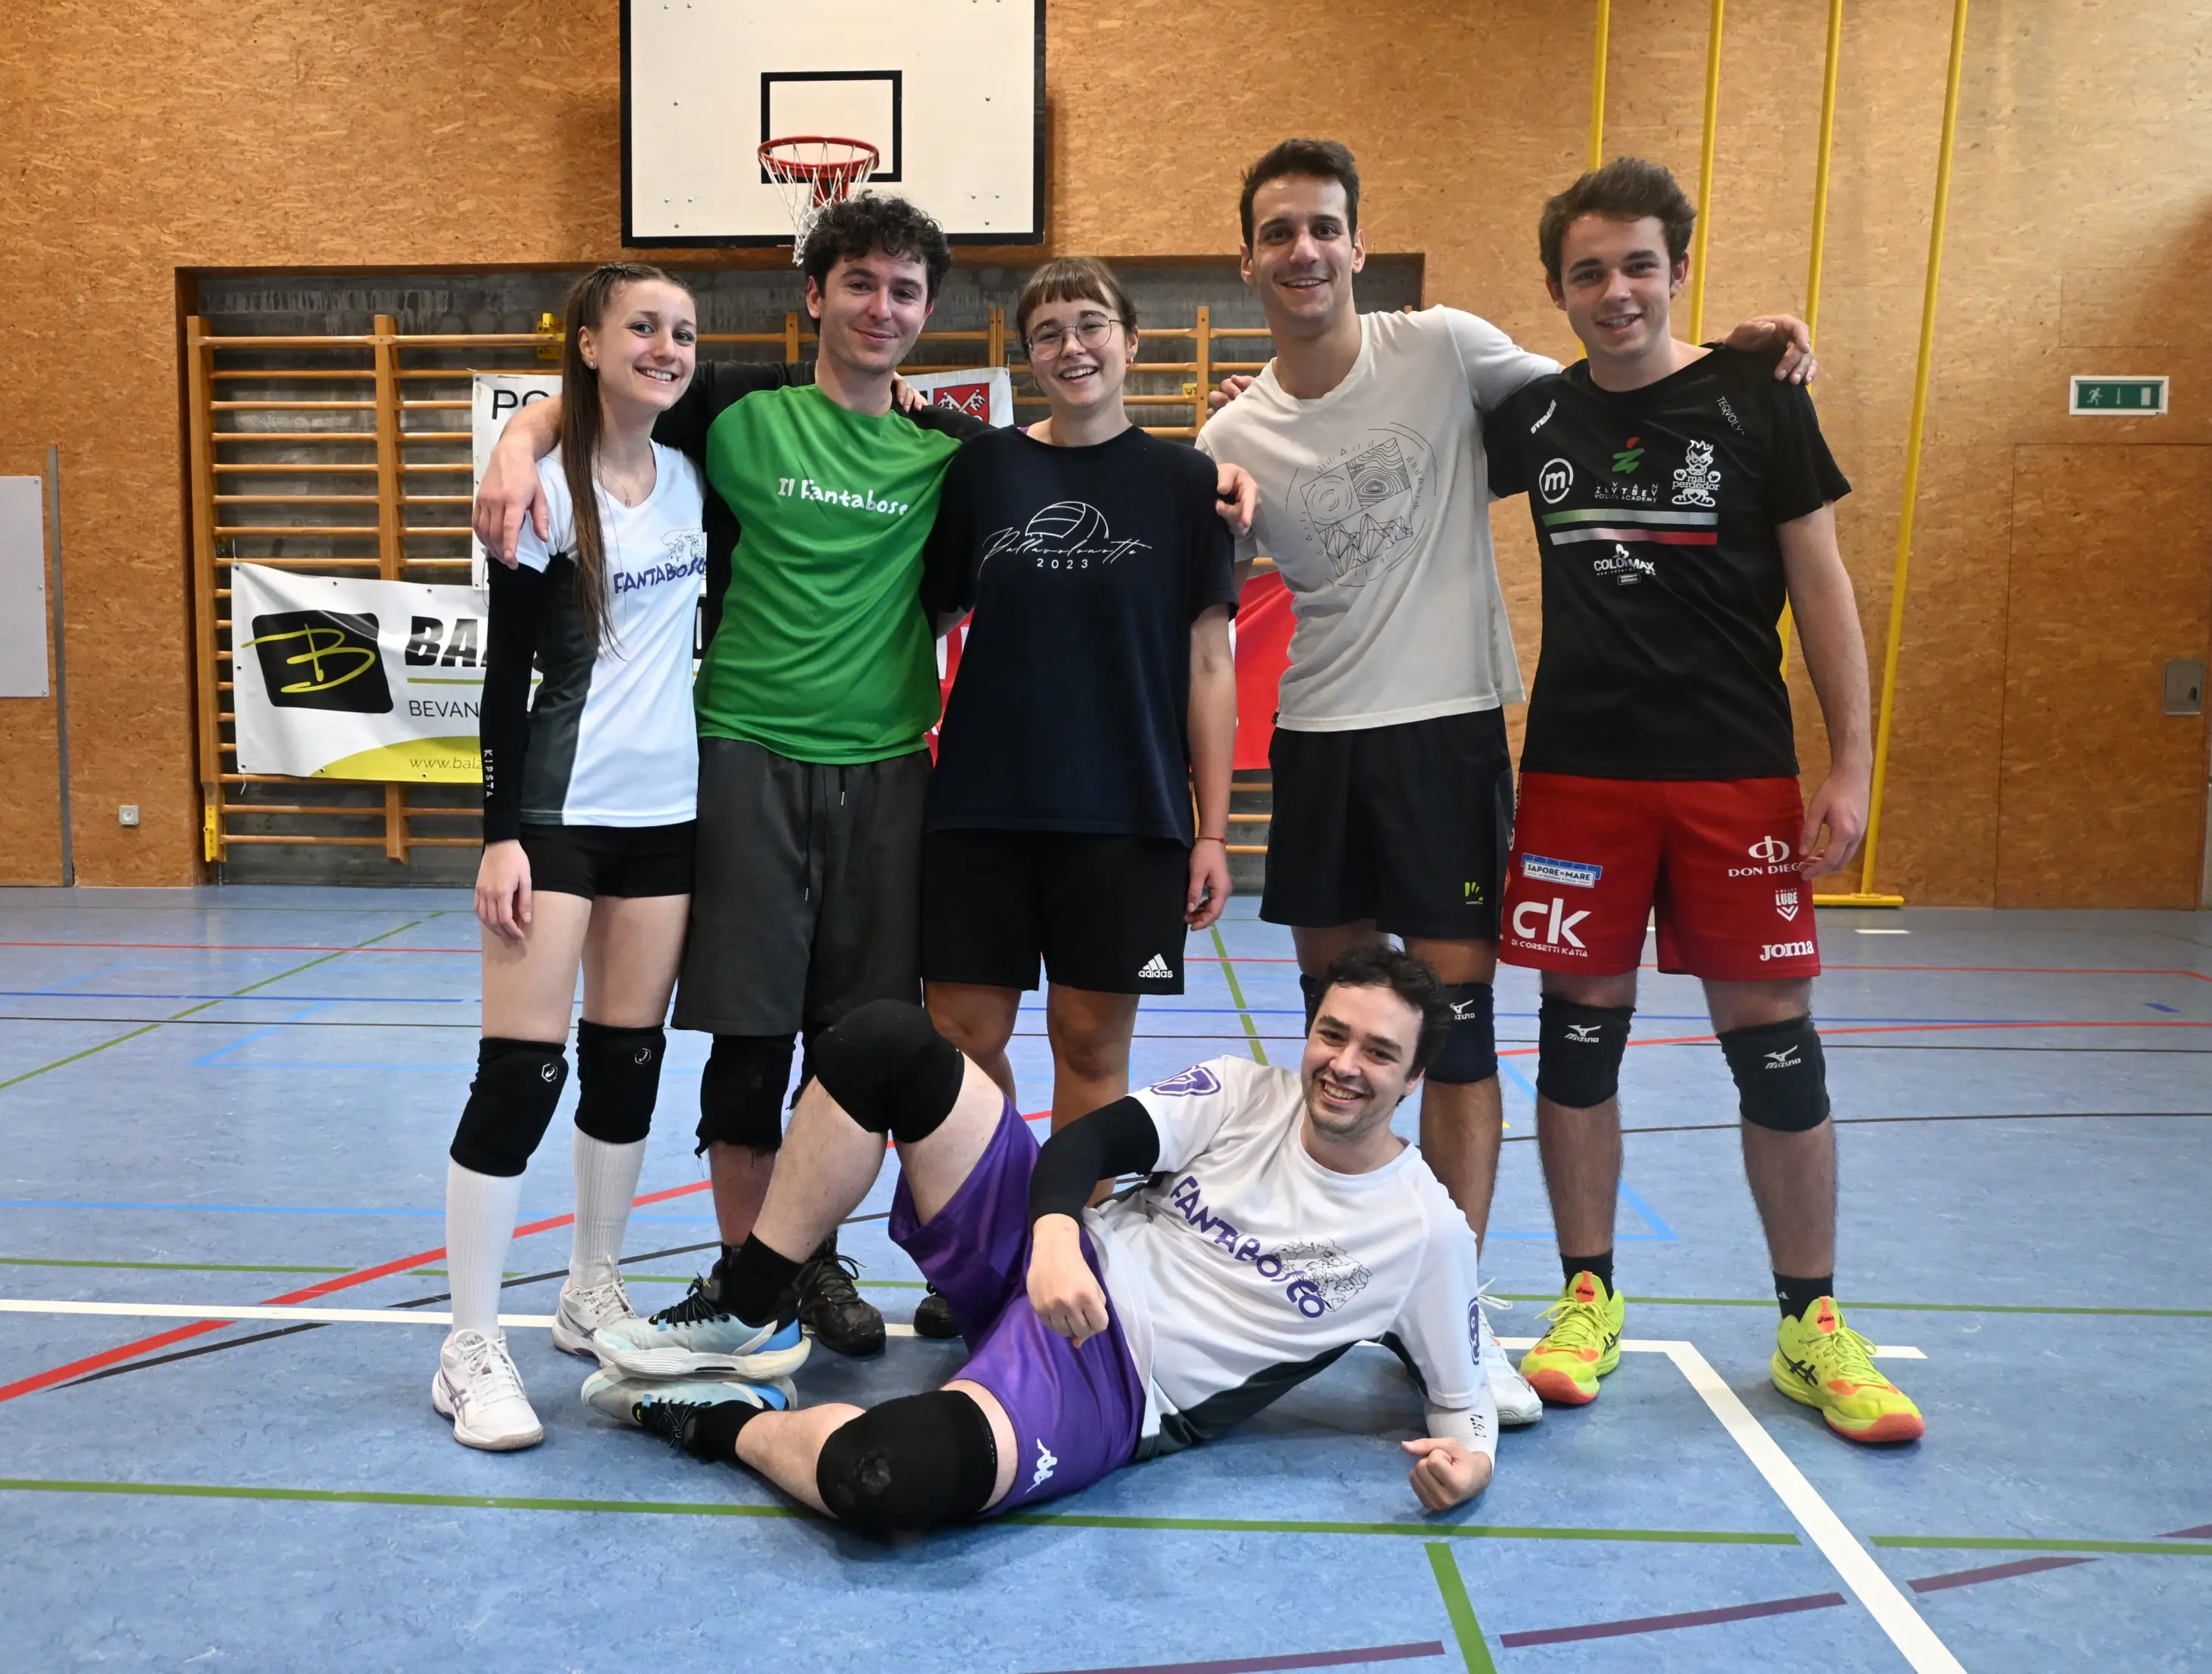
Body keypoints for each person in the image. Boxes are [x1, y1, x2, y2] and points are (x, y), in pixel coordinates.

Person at [475, 200, 1260, 1362]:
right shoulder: (737, 414)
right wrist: (517, 440)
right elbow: (602, 392)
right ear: (816, 296)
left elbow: (1044, 544)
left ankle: (831, 1260)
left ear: (926, 311)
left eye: (903, 291)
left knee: (859, 1043)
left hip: (897, 777)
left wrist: (1218, 473)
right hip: (743, 759)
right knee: (748, 1053)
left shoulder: (954, 453)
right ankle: (756, 1284)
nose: (880, 308)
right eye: (859, 285)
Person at [1196, 138, 1816, 1426]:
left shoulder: (1445, 349)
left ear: (1358, 246)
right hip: (1317, 740)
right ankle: (1337, 1278)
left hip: (1448, 734)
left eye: (1325, 228)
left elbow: (1626, 385)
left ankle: (1450, 1300)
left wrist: (1740, 352)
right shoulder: (1229, 435)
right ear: (1248, 258)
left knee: (1459, 1032)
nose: (1303, 251)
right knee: (1337, 1034)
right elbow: (1185, 604)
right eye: (1278, 234)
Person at [1482, 158, 1921, 1443]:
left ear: (1676, 267)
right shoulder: (1538, 417)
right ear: (1557, 287)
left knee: (1774, 1047)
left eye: (1637, 265)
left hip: (1737, 773)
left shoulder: (1759, 399)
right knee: (1578, 1039)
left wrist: (1852, 759)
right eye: (1587, 271)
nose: (1615, 291)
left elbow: (1825, 587)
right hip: (1577, 776)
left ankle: (1811, 1324)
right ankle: (1585, 1298)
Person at [578, 945, 1501, 1531]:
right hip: (1052, 1253)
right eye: (1332, 1034)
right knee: (888, 1041)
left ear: (1415, 1076)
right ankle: (748, 1308)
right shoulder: (1244, 1092)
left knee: (882, 1476)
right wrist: (1056, 1235)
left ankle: (714, 1419)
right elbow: (1089, 1143)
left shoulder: (1423, 1233)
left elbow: (1466, 1416)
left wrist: (1469, 1467)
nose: (1344, 1064)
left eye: (1378, 1052)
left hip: (1112, 1382)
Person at [435, 263, 786, 1449]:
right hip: (558, 814)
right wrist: (497, 833)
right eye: (642, 325)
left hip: (668, 817)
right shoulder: (542, 489)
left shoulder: (696, 478)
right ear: (586, 342)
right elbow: (500, 680)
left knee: (629, 1063)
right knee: (520, 1077)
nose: (668, 345)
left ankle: (591, 1287)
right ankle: (469, 1342)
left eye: (683, 330)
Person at [918, 257, 1238, 1235]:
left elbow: (1209, 664)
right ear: (1028, 359)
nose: (1072, 346)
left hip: (1127, 814)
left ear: (1130, 342)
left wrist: (1212, 830)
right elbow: (927, 614)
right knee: (959, 1041)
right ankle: (990, 1236)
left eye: (1091, 324)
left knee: (1091, 1047)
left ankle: (1074, 1253)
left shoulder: (1188, 483)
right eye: (1048, 333)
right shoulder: (987, 469)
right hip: (981, 807)